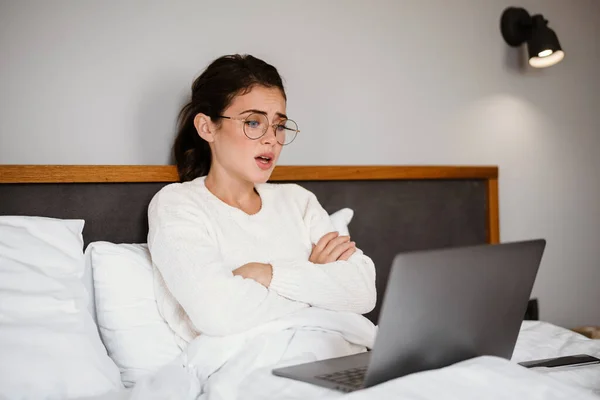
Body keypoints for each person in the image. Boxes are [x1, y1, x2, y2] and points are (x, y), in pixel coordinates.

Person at [147, 54, 376, 348]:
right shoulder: (178, 205)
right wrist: (314, 279)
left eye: (279, 125)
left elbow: (362, 292)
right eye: (253, 122)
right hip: (250, 367)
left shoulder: (298, 200)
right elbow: (218, 314)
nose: (271, 139)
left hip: (337, 354)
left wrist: (264, 273)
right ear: (207, 127)